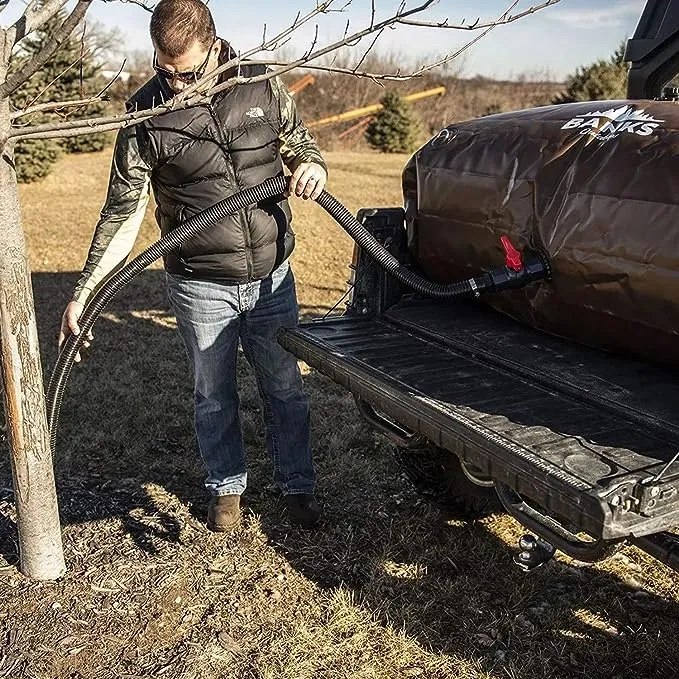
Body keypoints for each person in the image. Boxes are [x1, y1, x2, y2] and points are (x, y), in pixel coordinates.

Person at [58, 0, 328, 532]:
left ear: (213, 44)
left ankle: (298, 484)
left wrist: (312, 166)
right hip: (199, 282)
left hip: (272, 274)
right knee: (213, 393)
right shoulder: (145, 117)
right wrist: (84, 291)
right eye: (163, 69)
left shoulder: (261, 83)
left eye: (185, 72)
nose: (175, 85)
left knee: (285, 387)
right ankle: (226, 489)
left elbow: (299, 143)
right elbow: (122, 212)